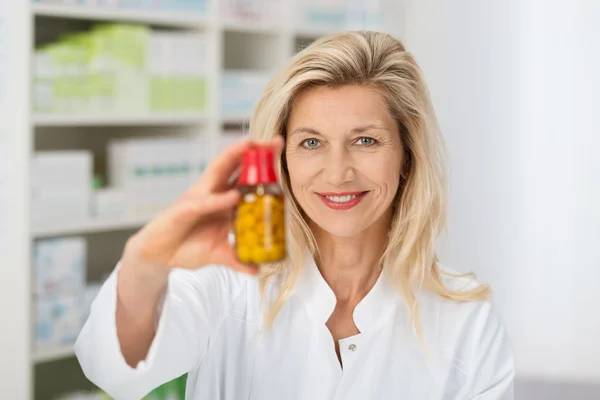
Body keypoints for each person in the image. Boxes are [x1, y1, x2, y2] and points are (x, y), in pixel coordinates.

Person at [75, 31, 515, 400]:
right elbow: (114, 370)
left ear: (406, 156)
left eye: (365, 141)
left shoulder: (466, 318)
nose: (338, 172)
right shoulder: (229, 277)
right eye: (310, 142)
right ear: (282, 160)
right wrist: (145, 263)